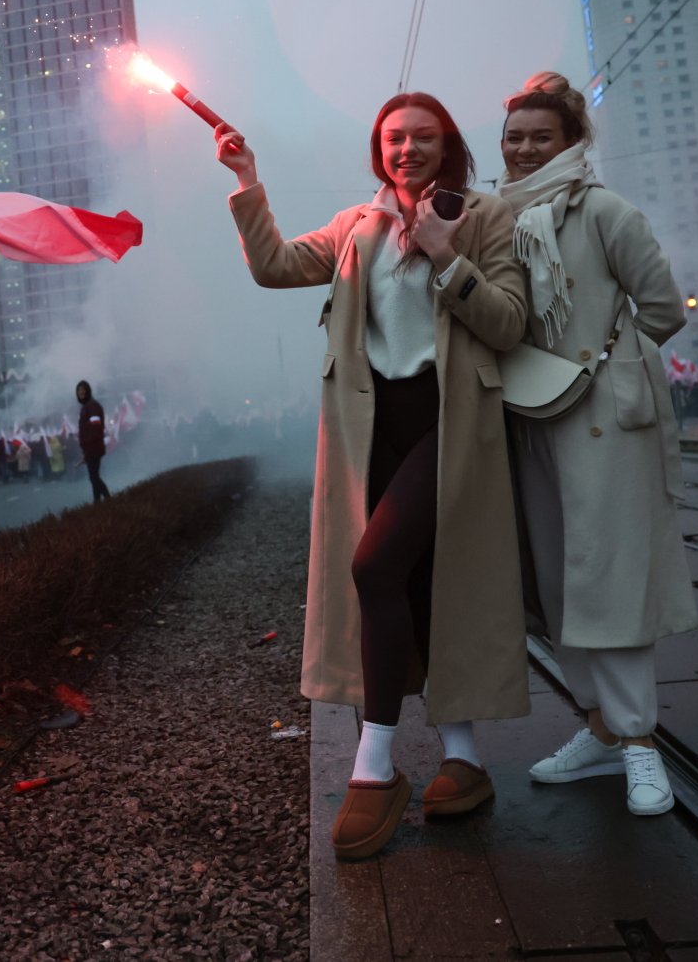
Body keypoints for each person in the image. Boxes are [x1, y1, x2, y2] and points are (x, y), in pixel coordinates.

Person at [215, 91, 531, 860]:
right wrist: (246, 178)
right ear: (377, 150)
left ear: (448, 144)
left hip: (448, 420)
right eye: (394, 139)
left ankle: (375, 763)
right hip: (371, 424)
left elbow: (510, 323)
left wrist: (446, 252)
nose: (407, 150)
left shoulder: (482, 217)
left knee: (375, 564)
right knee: (416, 579)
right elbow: (273, 266)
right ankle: (464, 757)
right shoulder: (355, 227)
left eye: (423, 137)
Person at [494, 72, 697, 817]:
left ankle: (641, 744)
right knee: (558, 585)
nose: (522, 149)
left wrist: (608, 373)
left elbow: (663, 309)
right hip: (530, 419)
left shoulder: (605, 211)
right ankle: (599, 732)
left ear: (571, 142)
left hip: (604, 424)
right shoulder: (496, 217)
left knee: (609, 580)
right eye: (513, 137)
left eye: (539, 137)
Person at [75, 381, 111, 503]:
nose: (81, 392)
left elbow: (95, 429)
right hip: (91, 448)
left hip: (94, 448)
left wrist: (88, 450)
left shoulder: (92, 406)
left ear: (88, 391)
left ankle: (102, 500)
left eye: (83, 389)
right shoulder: (87, 406)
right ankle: (102, 501)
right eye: (79, 390)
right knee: (94, 477)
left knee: (94, 477)